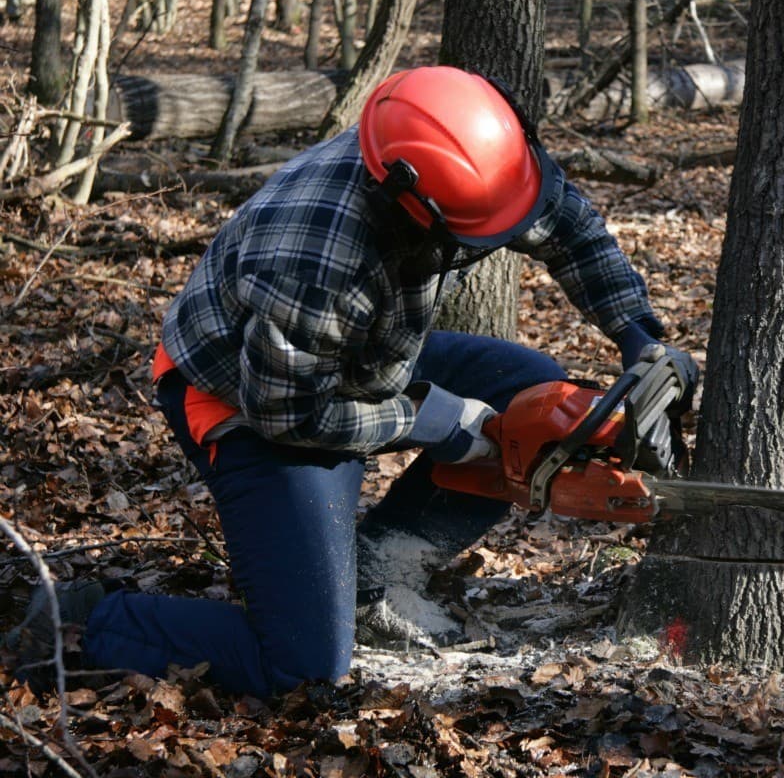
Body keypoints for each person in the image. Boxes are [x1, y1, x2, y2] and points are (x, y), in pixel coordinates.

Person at [4, 66, 698, 698]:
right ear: (411, 207)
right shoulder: (316, 256)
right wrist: (430, 421)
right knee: (303, 667)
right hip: (245, 397)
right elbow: (288, 413)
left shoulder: (463, 151)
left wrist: (637, 332)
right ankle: (87, 622)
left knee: (528, 395)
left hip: (362, 354)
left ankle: (377, 572)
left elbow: (565, 223)